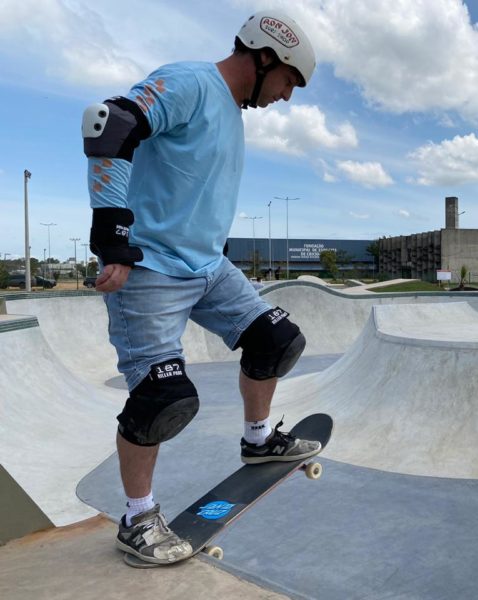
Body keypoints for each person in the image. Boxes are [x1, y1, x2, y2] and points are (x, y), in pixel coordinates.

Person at [82, 10, 320, 566]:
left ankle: (258, 440)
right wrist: (112, 234)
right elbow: (109, 123)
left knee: (276, 341)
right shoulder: (191, 82)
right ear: (265, 58)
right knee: (161, 398)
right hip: (150, 271)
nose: (287, 97)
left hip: (209, 268)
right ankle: (138, 517)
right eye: (290, 82)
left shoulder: (231, 115)